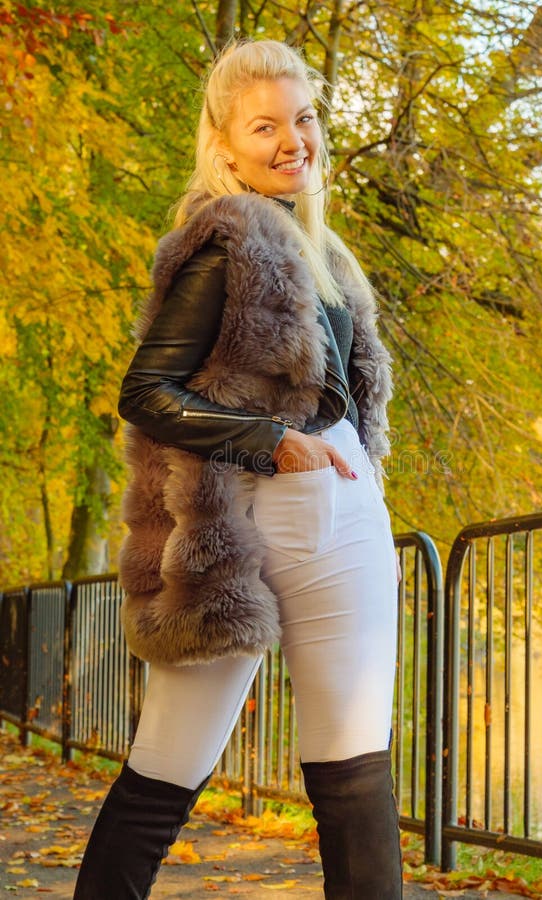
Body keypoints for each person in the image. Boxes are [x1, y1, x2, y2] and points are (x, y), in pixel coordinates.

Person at [73, 38, 401, 900]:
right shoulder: (226, 242)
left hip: (343, 508)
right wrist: (274, 442)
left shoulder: (318, 253)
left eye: (304, 118)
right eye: (266, 126)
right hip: (258, 510)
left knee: (354, 767)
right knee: (170, 765)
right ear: (223, 145)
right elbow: (147, 392)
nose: (294, 139)